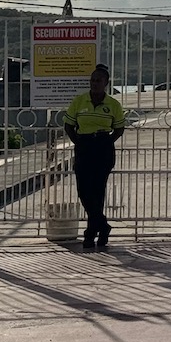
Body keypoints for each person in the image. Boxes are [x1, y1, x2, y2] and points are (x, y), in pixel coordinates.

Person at [63, 63, 125, 250]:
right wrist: (78, 141)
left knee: (98, 191)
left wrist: (107, 141)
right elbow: (68, 125)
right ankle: (103, 225)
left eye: (98, 80)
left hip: (103, 148)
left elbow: (119, 128)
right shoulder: (79, 101)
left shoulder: (113, 105)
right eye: (92, 80)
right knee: (84, 190)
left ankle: (91, 234)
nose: (95, 83)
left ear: (106, 83)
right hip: (84, 146)